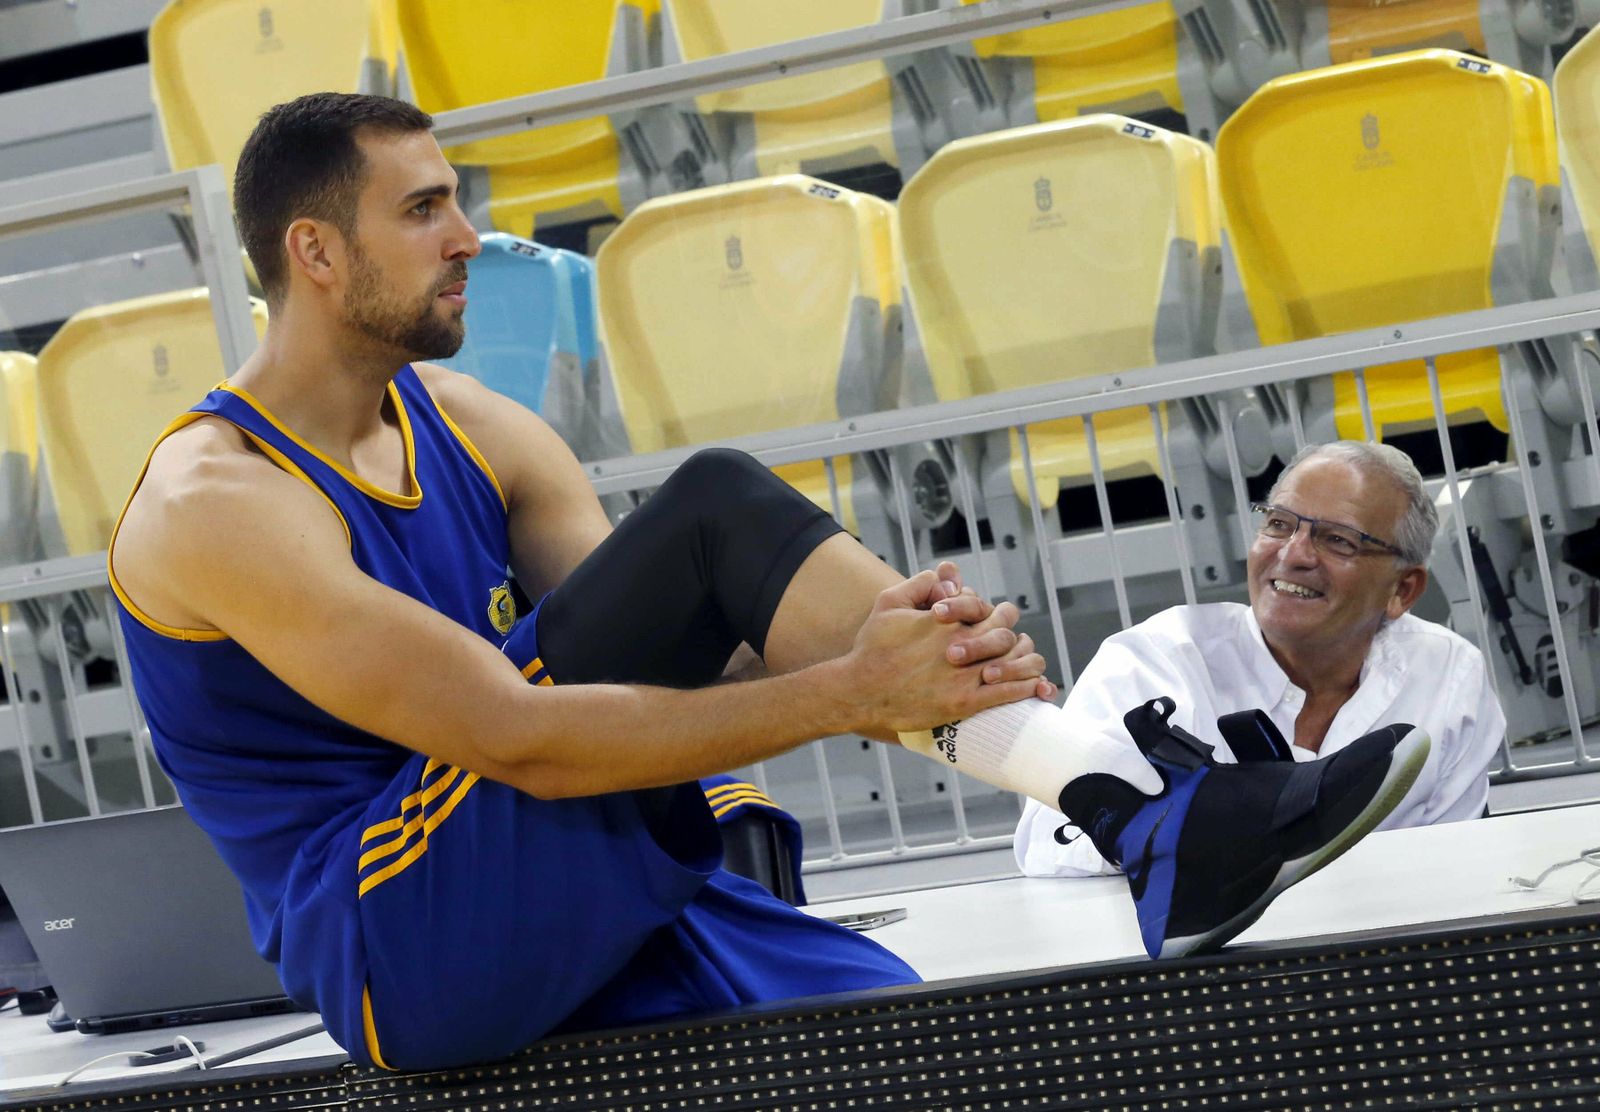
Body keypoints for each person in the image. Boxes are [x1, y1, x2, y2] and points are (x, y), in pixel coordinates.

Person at [107, 93, 1429, 1072]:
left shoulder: (473, 424)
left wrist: (905, 653)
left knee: (920, 1040)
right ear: (315, 254)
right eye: (422, 209)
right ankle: (1142, 809)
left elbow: (678, 644)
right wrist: (844, 695)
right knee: (710, 510)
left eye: (457, 199)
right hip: (395, 934)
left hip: (530, 849)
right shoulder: (218, 503)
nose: (469, 236)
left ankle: (1145, 814)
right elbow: (513, 735)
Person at [1015, 440, 1506, 878]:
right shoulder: (1154, 662)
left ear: (1403, 589)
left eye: (1337, 539)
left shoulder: (1448, 674)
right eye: (1278, 523)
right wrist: (1180, 831)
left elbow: (1457, 864)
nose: (1293, 554)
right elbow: (1048, 840)